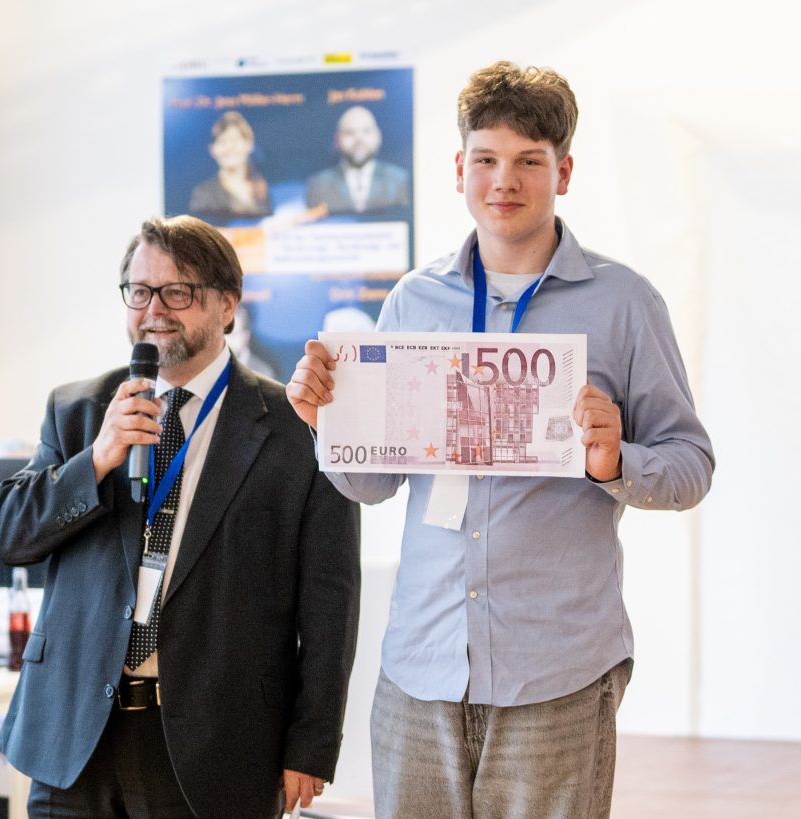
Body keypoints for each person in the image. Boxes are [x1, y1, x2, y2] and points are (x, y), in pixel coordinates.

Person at [287, 61, 715, 818]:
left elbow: (690, 465)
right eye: (485, 159)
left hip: (556, 674)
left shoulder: (624, 303)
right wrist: (330, 423)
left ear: (565, 170)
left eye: (528, 161)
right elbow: (373, 483)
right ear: (459, 168)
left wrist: (615, 461)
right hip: (420, 668)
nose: (503, 180)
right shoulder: (414, 301)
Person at [0, 215, 361, 818]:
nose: (154, 310)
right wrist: (98, 460)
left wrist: (312, 746)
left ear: (226, 306)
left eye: (177, 292)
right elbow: (7, 536)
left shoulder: (298, 428)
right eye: (140, 292)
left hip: (216, 743)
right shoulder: (79, 411)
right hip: (77, 737)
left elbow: (330, 603)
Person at [305, 105, 410, 215]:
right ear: (337, 140)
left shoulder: (399, 180)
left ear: (378, 136)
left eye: (366, 131)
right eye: (350, 132)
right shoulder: (318, 185)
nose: (359, 139)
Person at [189, 111, 272, 219]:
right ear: (212, 149)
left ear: (249, 144)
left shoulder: (263, 188)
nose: (229, 147)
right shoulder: (203, 193)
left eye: (235, 140)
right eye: (222, 141)